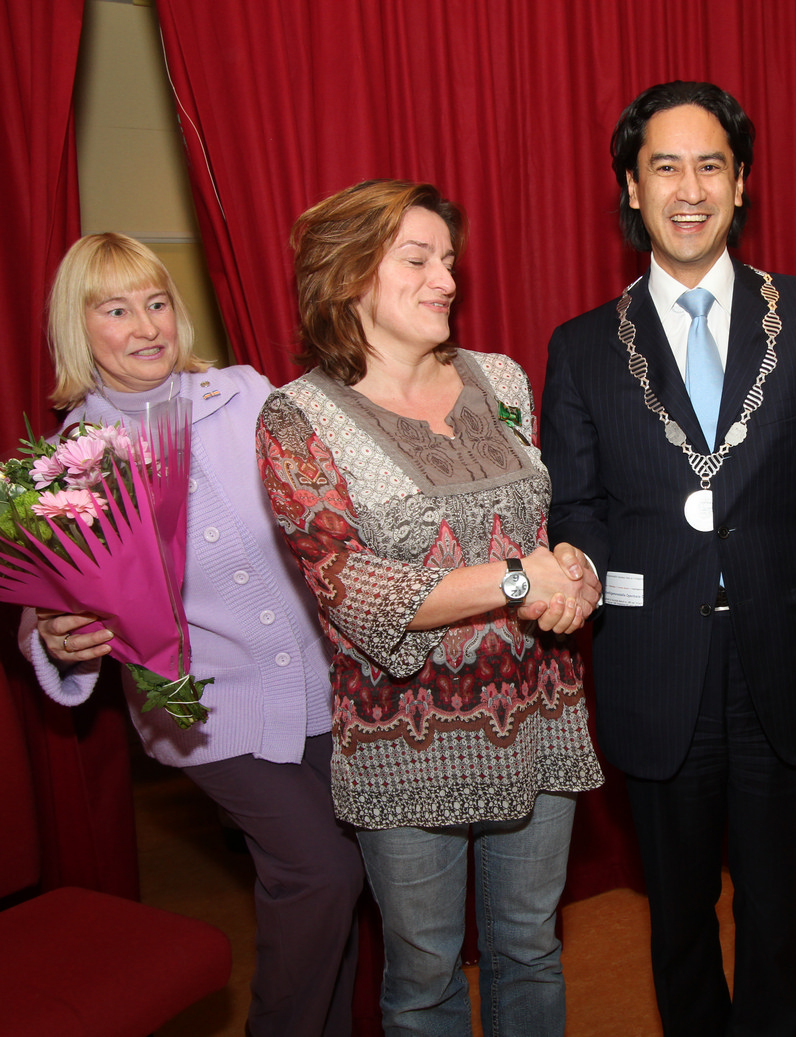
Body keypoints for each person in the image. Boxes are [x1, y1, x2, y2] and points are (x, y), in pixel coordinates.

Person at [540, 82, 796, 1036]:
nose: (689, 189)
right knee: (677, 920)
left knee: (777, 915)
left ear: (741, 183)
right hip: (653, 666)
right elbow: (578, 506)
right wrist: (579, 567)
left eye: (710, 165)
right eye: (664, 166)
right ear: (631, 188)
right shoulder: (583, 348)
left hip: (781, 662)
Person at [255, 179, 604, 1037]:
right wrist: (517, 580)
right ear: (347, 276)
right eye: (416, 259)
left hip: (538, 713)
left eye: (447, 260)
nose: (445, 279)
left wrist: (573, 571)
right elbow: (349, 585)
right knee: (423, 974)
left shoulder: (501, 377)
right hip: (403, 738)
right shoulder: (296, 418)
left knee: (531, 947)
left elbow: (545, 526)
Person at [23, 233, 364, 1037]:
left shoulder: (245, 394)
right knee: (318, 872)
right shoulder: (69, 460)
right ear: (78, 328)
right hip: (206, 710)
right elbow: (44, 602)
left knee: (345, 882)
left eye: (156, 302)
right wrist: (53, 635)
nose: (146, 325)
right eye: (116, 310)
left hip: (324, 686)